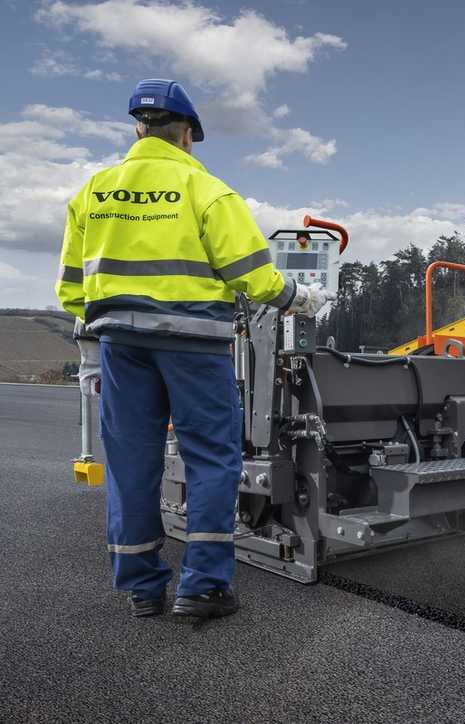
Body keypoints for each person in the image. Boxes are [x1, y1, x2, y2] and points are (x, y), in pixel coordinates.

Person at [55, 79, 334, 619]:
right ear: (187, 134)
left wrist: (90, 351)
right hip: (194, 347)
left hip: (122, 349)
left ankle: (142, 588)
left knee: (132, 465)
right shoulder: (207, 191)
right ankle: (202, 587)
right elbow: (253, 275)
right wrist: (301, 298)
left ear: (139, 129)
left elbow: (72, 287)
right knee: (211, 459)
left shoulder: (93, 192)